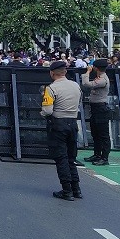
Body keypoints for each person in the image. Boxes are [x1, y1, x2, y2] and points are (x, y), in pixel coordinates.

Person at [41, 60, 83, 201]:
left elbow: (47, 110)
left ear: (52, 73)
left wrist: (42, 113)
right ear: (65, 72)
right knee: (71, 157)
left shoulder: (51, 89)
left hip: (58, 125)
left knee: (61, 158)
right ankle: (76, 189)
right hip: (73, 123)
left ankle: (67, 190)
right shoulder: (76, 86)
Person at [81, 59, 111, 166]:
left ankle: (104, 157)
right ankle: (97, 154)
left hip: (100, 108)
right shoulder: (100, 77)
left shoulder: (102, 79)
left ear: (96, 68)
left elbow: (86, 84)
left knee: (103, 134)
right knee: (95, 133)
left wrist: (87, 72)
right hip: (95, 108)